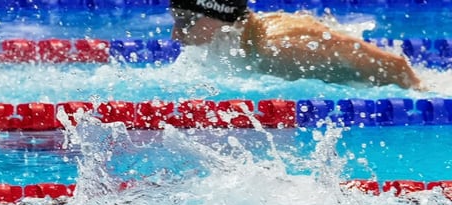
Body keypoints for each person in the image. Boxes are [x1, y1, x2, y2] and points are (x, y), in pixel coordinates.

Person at [169, 0, 422, 89]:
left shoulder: (282, 47)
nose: (176, 35)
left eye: (186, 21)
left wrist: (419, 95)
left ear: (220, 15)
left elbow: (395, 66)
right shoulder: (242, 43)